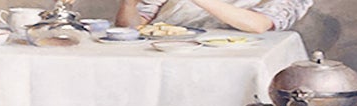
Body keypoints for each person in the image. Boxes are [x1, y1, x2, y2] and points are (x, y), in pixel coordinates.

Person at [118, 0, 312, 25]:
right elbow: (134, 28)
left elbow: (260, 24)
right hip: (160, 60)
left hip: (234, 68)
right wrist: (128, 5)